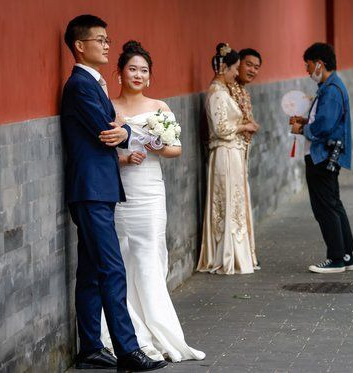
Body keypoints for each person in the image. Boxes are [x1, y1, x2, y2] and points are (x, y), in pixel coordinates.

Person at [61, 15, 167, 372]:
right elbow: (105, 131)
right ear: (80, 45)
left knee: (92, 271)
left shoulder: (94, 84)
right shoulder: (80, 85)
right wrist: (121, 131)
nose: (107, 45)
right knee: (112, 268)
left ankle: (91, 348)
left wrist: (122, 131)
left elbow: (113, 131)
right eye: (100, 39)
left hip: (98, 188)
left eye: (107, 40)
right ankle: (127, 350)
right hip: (90, 190)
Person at [100, 40, 205, 363]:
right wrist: (122, 159)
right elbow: (99, 150)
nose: (138, 75)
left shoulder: (160, 108)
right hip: (117, 191)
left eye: (144, 70)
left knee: (150, 256)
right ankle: (124, 333)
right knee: (120, 256)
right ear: (119, 73)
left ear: (150, 76)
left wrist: (153, 144)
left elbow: (175, 149)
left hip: (149, 191)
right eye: (132, 69)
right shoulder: (107, 107)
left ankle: (158, 329)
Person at [289, 42, 353, 274]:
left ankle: (336, 258)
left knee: (325, 208)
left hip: (322, 157)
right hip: (326, 156)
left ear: (320, 63)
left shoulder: (331, 90)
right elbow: (323, 121)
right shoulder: (330, 87)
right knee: (333, 205)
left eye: (308, 65)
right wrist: (307, 122)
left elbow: (325, 126)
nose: (307, 71)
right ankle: (346, 255)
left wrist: (303, 129)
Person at [196, 43, 259, 275]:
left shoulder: (222, 92)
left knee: (234, 201)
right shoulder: (217, 93)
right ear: (225, 68)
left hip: (232, 151)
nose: (236, 73)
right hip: (225, 151)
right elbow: (222, 129)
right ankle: (226, 253)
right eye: (234, 69)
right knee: (227, 201)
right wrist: (245, 125)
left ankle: (236, 251)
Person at [227, 48, 262, 267]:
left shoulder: (242, 90)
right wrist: (246, 126)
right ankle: (235, 254)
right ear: (237, 64)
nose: (252, 70)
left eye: (257, 67)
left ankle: (244, 252)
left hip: (241, 153)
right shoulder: (227, 90)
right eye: (248, 64)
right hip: (229, 154)